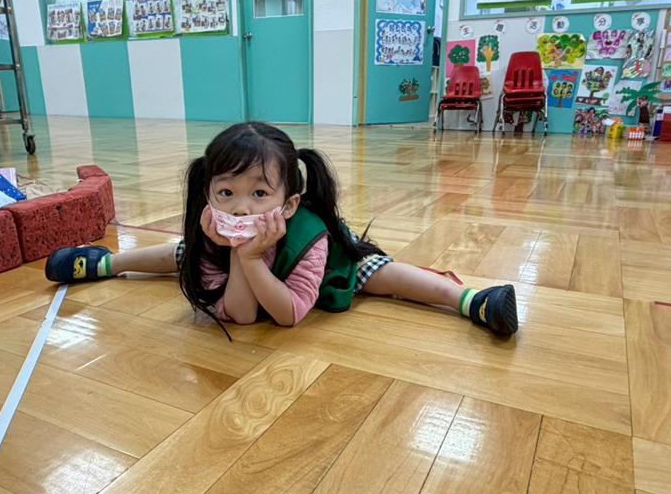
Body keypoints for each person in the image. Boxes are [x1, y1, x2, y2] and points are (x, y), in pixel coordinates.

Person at [45, 122, 517, 336]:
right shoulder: (214, 229)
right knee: (182, 252)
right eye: (226, 192)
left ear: (288, 204)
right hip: (248, 266)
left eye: (259, 193)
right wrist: (240, 254)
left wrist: (252, 258)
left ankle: (469, 299)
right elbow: (242, 317)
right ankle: (105, 262)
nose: (240, 208)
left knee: (380, 274)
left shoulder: (310, 232)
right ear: (208, 193)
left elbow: (289, 315)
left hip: (325, 265)